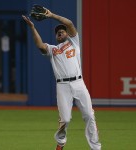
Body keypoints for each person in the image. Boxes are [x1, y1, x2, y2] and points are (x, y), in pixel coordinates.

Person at [22, 7, 101, 150]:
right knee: (65, 119)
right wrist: (33, 28)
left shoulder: (74, 42)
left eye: (62, 30)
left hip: (78, 83)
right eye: (58, 32)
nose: (60, 32)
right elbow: (39, 45)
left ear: (67, 33)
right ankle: (60, 143)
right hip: (63, 86)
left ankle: (96, 148)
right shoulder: (53, 50)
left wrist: (52, 15)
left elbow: (69, 23)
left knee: (89, 115)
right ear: (56, 37)